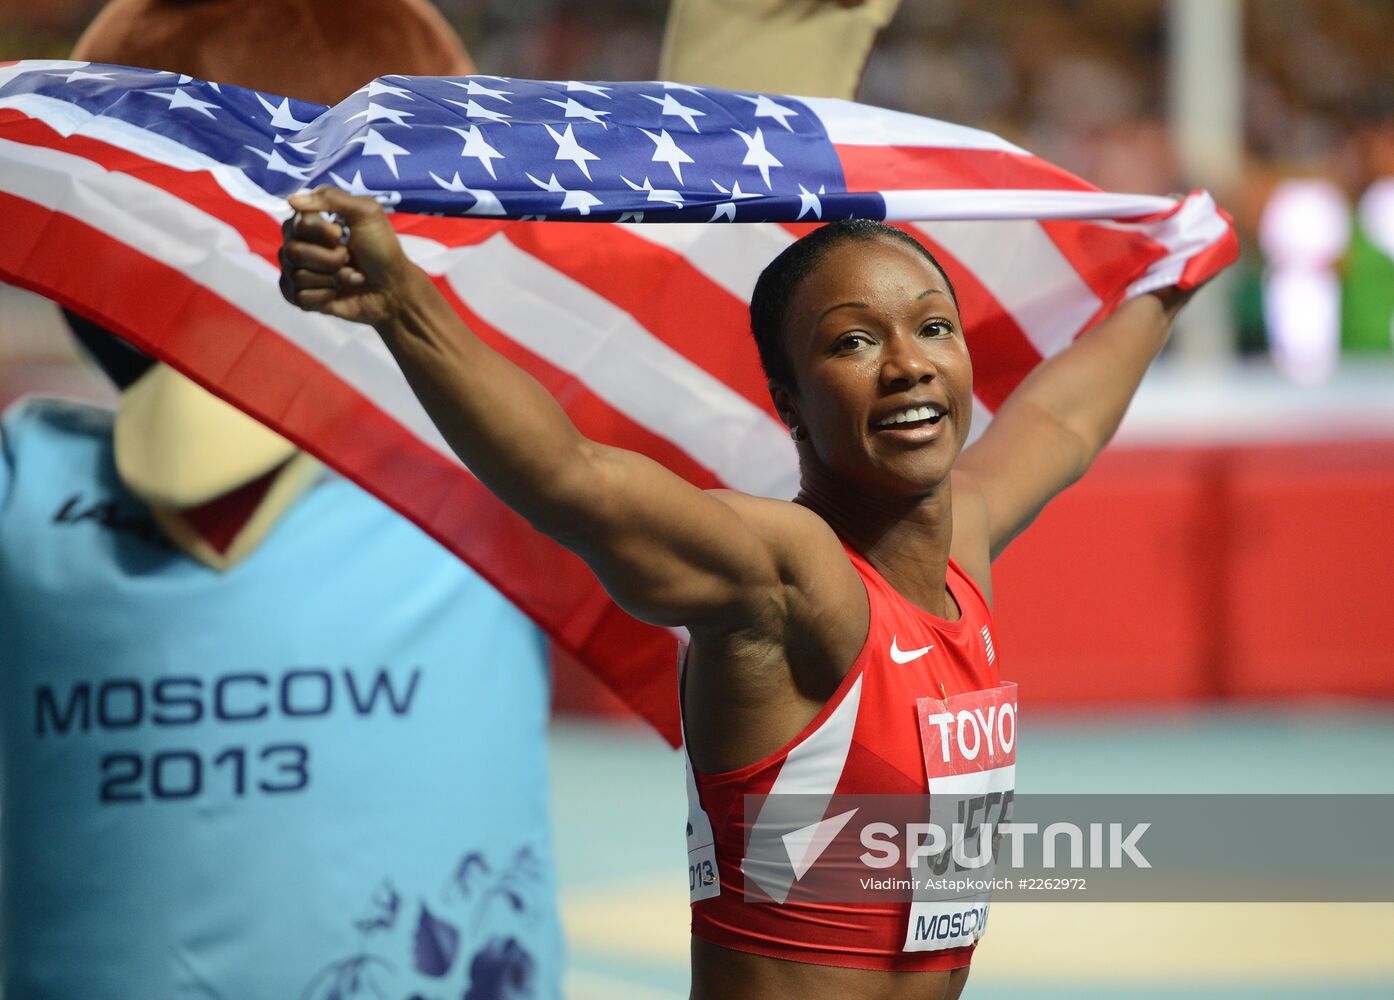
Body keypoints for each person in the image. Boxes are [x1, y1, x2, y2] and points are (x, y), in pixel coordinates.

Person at [278, 186, 1200, 998]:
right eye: (852, 341)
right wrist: (404, 308)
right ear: (788, 401)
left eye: (932, 326)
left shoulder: (963, 546)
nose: (909, 363)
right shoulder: (796, 580)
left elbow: (1060, 419)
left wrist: (1179, 271)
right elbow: (576, 480)